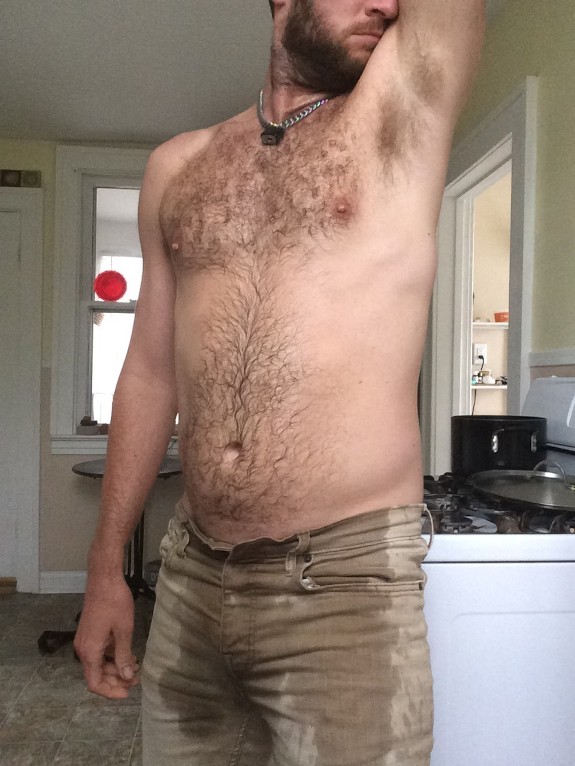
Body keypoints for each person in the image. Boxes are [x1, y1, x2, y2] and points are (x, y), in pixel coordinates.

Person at [74, 0, 484, 763]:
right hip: (191, 575)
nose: (387, 6)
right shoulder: (177, 167)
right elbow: (149, 373)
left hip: (344, 589)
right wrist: (105, 569)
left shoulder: (396, 120)